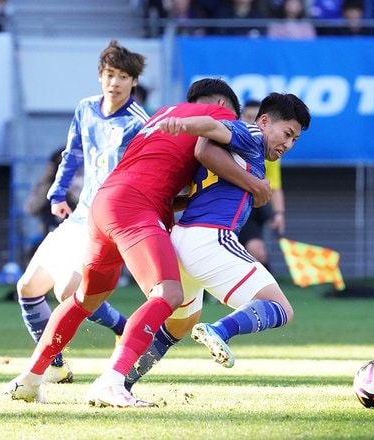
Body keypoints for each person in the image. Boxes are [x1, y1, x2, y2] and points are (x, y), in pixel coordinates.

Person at [6, 78, 271, 408]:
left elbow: (162, 183)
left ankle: (30, 378)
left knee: (85, 298)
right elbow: (207, 142)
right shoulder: (216, 118)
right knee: (168, 293)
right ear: (222, 107)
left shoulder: (160, 116)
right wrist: (256, 186)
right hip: (135, 206)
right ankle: (113, 381)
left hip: (105, 203)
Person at [124, 92, 311, 391]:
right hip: (209, 239)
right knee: (281, 308)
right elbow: (213, 127)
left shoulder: (240, 151)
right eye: (287, 134)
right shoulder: (250, 133)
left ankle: (121, 380)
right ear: (264, 121)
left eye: (294, 140)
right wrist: (182, 123)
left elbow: (206, 149)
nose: (288, 144)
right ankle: (220, 329)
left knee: (178, 325)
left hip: (181, 238)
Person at [14, 40, 148, 385]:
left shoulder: (139, 123)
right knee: (28, 288)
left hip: (107, 222)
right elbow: (73, 152)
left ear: (134, 82)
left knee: (68, 293)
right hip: (78, 215)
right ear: (100, 77)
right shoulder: (86, 108)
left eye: (122, 76)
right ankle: (58, 363)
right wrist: (57, 191)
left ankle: (120, 328)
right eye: (109, 74)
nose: (114, 82)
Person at [236, 99, 286, 272]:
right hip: (227, 208)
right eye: (249, 118)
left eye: (257, 120)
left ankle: (268, 294)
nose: (253, 124)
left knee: (258, 252)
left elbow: (275, 186)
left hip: (251, 211)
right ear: (240, 118)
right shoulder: (229, 142)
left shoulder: (270, 151)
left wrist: (278, 214)